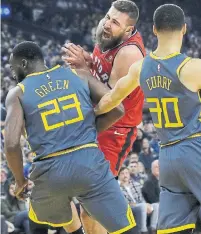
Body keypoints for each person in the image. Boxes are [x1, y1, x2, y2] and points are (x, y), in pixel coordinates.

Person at [4, 41, 137, 234]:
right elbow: (117, 108)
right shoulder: (79, 75)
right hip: (90, 164)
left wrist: (19, 180)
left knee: (37, 221)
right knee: (126, 228)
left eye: (12, 67)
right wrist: (87, 131)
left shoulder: (18, 92)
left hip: (51, 170)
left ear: (23, 64)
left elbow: (11, 144)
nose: (13, 74)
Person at [94, 4, 201, 233]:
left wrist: (89, 116)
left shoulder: (141, 67)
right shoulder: (193, 68)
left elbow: (110, 99)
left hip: (168, 157)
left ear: (153, 30)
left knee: (173, 228)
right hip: (194, 148)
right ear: (184, 29)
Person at [62, 1, 146, 232]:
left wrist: (83, 69)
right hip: (97, 120)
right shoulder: (108, 35)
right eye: (108, 17)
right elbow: (101, 69)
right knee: (74, 197)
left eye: (115, 22)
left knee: (93, 205)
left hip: (116, 129)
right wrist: (88, 59)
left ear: (128, 30)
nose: (107, 24)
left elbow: (108, 99)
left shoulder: (129, 52)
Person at [118, 167, 158, 233]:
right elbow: (124, 203)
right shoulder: (118, 188)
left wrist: (146, 205)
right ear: (119, 176)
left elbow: (141, 198)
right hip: (129, 208)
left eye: (126, 173)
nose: (125, 175)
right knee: (142, 206)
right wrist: (143, 205)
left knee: (156, 206)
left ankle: (153, 228)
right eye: (122, 173)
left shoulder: (136, 184)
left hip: (140, 205)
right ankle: (143, 230)